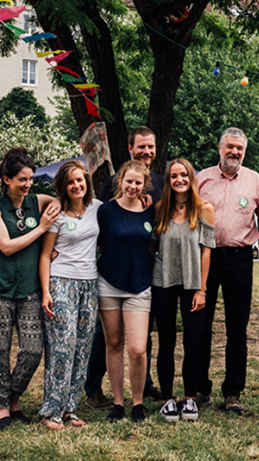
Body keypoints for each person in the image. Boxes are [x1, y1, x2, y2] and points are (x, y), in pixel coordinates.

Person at [0, 147, 60, 430]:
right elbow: (6, 246)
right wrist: (41, 229)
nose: (27, 185)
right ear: (6, 180)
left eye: (30, 179)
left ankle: (14, 395)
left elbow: (70, 199)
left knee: (32, 350)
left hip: (28, 288)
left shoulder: (38, 201)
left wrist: (55, 246)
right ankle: (5, 408)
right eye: (21, 180)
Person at [196, 127, 259, 415]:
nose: (235, 152)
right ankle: (199, 387)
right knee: (201, 324)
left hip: (240, 259)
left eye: (240, 148)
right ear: (219, 147)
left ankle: (233, 392)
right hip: (205, 257)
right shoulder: (201, 178)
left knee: (237, 329)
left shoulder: (254, 180)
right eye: (230, 146)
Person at [86, 126, 163, 410]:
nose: (146, 152)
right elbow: (96, 229)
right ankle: (95, 387)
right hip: (111, 276)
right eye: (141, 146)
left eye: (150, 147)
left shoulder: (160, 183)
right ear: (131, 148)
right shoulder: (110, 191)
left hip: (143, 274)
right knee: (108, 339)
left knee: (140, 342)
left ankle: (143, 389)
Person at [37, 160, 101, 430]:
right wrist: (46, 292)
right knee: (63, 344)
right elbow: (44, 255)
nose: (77, 185)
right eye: (71, 182)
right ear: (63, 186)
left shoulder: (97, 209)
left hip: (90, 284)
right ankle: (51, 410)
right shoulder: (56, 213)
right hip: (61, 282)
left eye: (80, 180)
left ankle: (70, 408)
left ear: (87, 182)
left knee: (83, 346)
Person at [153, 159, 215, 423]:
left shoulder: (204, 210)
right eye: (174, 176)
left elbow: (206, 253)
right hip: (163, 282)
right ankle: (167, 399)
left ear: (191, 178)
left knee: (193, 342)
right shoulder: (160, 209)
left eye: (184, 175)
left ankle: (190, 397)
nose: (179, 180)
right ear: (168, 180)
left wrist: (202, 290)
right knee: (166, 341)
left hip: (192, 284)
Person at [96, 160, 155, 423]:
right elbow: (92, 241)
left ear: (145, 185)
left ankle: (138, 403)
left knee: (138, 349)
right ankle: (118, 403)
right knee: (114, 343)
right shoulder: (105, 211)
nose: (133, 186)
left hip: (139, 284)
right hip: (109, 283)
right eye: (129, 181)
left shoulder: (149, 211)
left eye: (138, 182)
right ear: (120, 181)